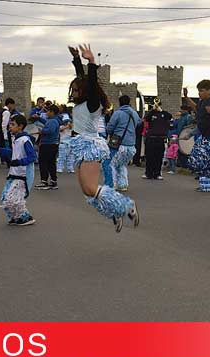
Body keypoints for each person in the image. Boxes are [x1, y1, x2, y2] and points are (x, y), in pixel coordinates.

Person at [67, 44, 139, 232]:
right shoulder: (82, 103)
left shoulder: (92, 104)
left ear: (83, 91)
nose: (73, 93)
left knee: (91, 188)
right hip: (81, 146)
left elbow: (90, 83)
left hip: (90, 145)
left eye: (76, 90)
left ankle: (125, 206)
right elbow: (83, 80)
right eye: (72, 90)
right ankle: (114, 211)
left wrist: (91, 62)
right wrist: (76, 60)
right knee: (87, 191)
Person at [0, 114, 37, 226]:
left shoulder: (25, 140)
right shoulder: (16, 139)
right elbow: (14, 153)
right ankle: (15, 217)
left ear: (20, 126)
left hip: (22, 175)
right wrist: (0, 150)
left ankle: (25, 217)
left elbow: (32, 157)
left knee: (15, 198)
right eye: (10, 125)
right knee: (5, 197)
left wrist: (19, 162)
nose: (10, 127)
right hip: (14, 173)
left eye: (13, 125)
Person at [185, 79, 210, 193]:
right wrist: (187, 97)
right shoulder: (202, 102)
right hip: (203, 136)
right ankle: (206, 185)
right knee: (197, 161)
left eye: (202, 91)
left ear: (209, 90)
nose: (199, 93)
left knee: (208, 162)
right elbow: (196, 108)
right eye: (198, 91)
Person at [102, 95, 139, 191]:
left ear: (119, 102)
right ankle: (123, 184)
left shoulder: (118, 113)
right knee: (121, 164)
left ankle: (110, 185)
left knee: (109, 163)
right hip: (131, 145)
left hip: (118, 144)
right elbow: (138, 125)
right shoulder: (135, 114)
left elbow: (110, 128)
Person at [142, 102, 172, 180]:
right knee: (149, 157)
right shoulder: (151, 114)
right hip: (151, 138)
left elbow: (169, 116)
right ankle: (148, 173)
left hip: (160, 138)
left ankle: (157, 173)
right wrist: (153, 110)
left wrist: (161, 110)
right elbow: (147, 118)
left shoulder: (164, 114)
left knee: (159, 157)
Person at [35, 104, 61, 190]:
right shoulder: (53, 120)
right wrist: (38, 118)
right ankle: (53, 181)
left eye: (48, 111)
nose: (46, 113)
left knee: (43, 162)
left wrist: (41, 131)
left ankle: (44, 181)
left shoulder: (53, 121)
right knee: (51, 163)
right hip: (52, 144)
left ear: (52, 112)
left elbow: (50, 130)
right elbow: (46, 123)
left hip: (48, 144)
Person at [0, 98, 17, 168]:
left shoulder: (1, 111)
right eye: (13, 105)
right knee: (6, 147)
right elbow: (4, 124)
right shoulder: (7, 112)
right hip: (2, 132)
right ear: (9, 104)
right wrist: (5, 135)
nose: (13, 107)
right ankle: (9, 162)